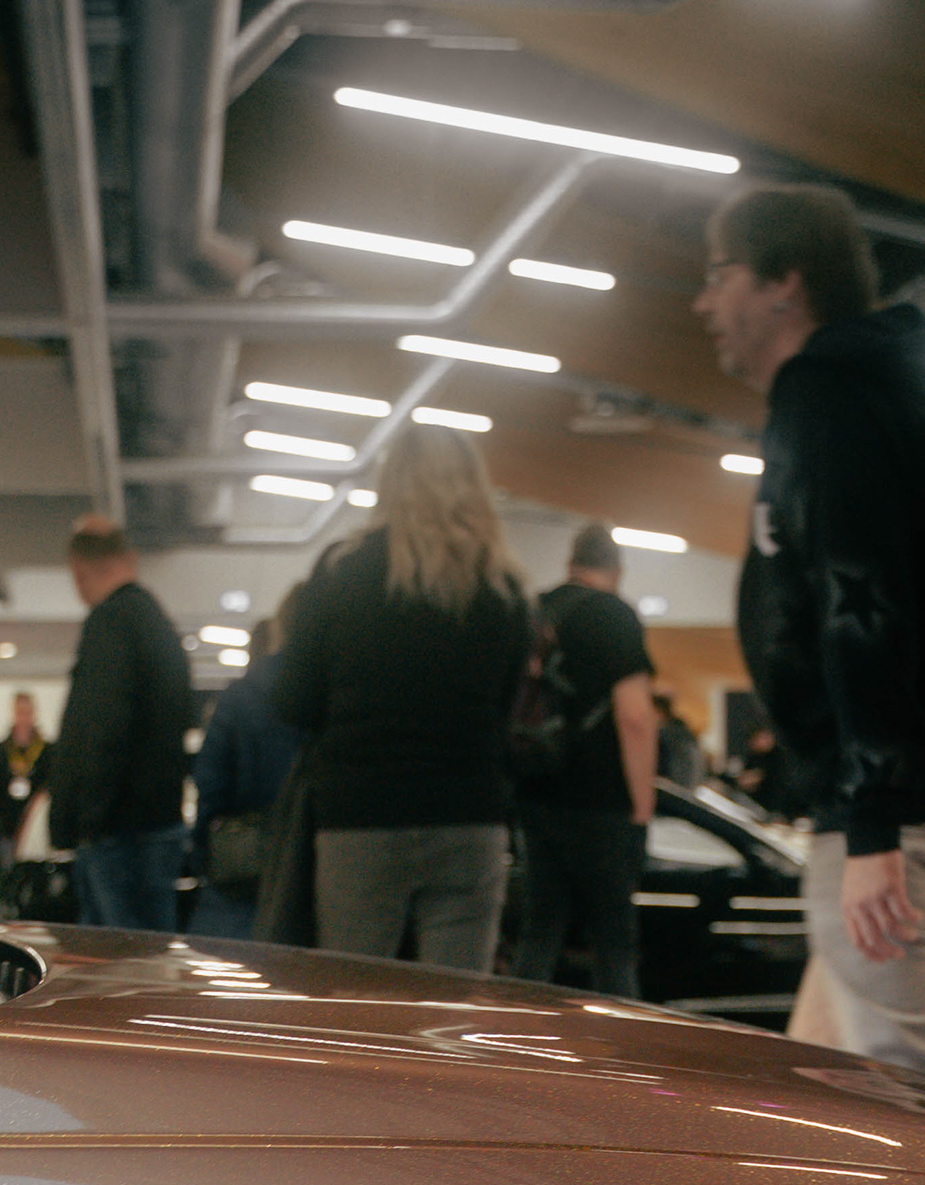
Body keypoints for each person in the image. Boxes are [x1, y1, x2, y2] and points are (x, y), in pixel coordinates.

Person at [694, 181, 925, 1083]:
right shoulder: (896, 395)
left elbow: (862, 604)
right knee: (822, 1078)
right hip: (919, 790)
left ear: (784, 283)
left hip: (897, 809)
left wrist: (871, 825)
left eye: (720, 274)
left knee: (900, 1086)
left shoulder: (830, 397)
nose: (705, 302)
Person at [272, 424, 530, 972]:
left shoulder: (342, 571)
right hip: (470, 813)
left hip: (360, 816)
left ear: (390, 481)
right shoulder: (504, 586)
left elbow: (292, 698)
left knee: (356, 996)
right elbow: (509, 707)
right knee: (456, 1003)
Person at [510, 520, 658, 997]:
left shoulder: (534, 610)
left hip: (535, 790)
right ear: (617, 569)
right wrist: (642, 806)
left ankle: (519, 1027)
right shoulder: (615, 615)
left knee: (540, 930)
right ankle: (618, 1038)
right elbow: (635, 717)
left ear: (570, 563)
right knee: (613, 940)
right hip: (600, 802)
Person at [48, 518, 196, 931]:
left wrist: (85, 820)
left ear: (80, 570)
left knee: (112, 956)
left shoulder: (109, 622)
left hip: (119, 831)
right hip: (160, 820)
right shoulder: (159, 624)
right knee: (151, 949)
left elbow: (101, 728)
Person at [188, 598, 304, 941]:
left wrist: (203, 848)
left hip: (242, 862)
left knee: (228, 961)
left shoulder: (241, 695)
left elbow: (210, 779)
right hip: (311, 859)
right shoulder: (335, 694)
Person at [0, 691, 54, 850]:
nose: (23, 718)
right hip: (7, 827)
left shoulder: (47, 751)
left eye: (27, 713)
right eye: (19, 713)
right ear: (13, 714)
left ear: (34, 715)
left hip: (37, 829)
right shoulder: (1, 751)